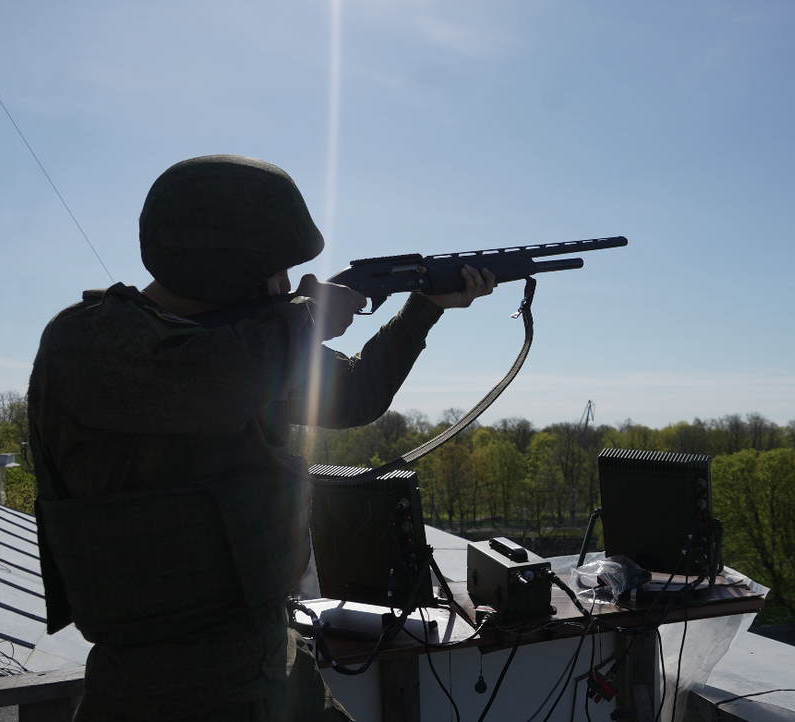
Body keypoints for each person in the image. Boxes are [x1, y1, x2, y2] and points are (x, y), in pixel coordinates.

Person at [28, 154, 495, 721]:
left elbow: (356, 394)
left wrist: (423, 308)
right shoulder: (89, 343)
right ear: (222, 268)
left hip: (276, 663)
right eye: (275, 269)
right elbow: (216, 386)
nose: (287, 286)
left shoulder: (253, 345)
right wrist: (308, 318)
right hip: (166, 696)